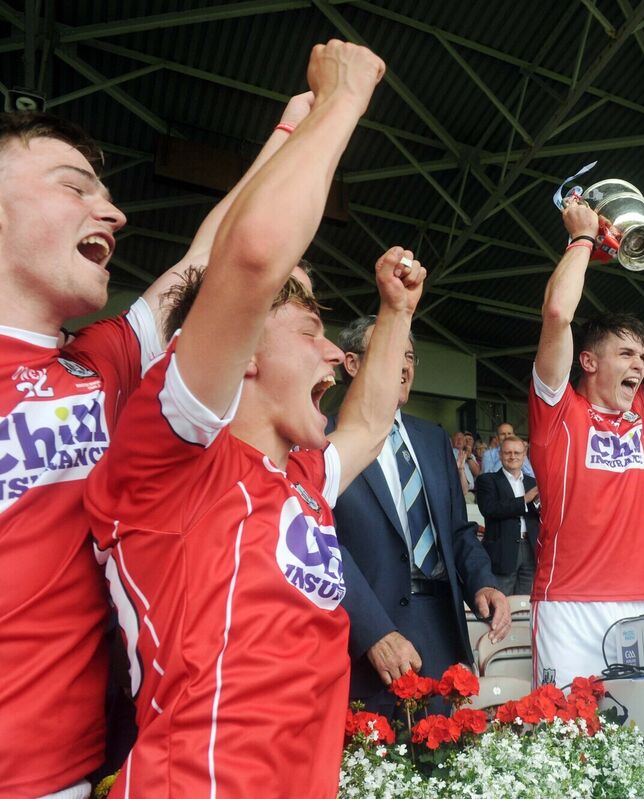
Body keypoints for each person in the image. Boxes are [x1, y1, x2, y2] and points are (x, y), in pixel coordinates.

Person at [84, 41, 406, 797]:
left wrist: (395, 314)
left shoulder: (298, 479)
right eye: (310, 329)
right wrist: (343, 99)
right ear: (246, 352)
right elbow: (253, 257)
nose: (335, 352)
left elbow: (371, 422)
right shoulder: (169, 456)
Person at [0, 92, 320, 798]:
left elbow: (209, 259)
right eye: (75, 186)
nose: (113, 212)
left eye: (109, 193)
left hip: (68, 768)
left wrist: (294, 126)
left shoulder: (100, 361)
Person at [527, 195, 644, 686]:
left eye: (643, 356)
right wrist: (583, 239)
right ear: (588, 362)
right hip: (566, 603)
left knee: (634, 734)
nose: (639, 364)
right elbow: (557, 314)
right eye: (625, 354)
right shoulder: (558, 412)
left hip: (633, 602)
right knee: (562, 736)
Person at [333, 318, 510, 715]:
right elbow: (322, 544)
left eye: (410, 355)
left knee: (446, 758)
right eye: (392, 352)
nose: (405, 365)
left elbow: (457, 531)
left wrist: (483, 583)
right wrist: (372, 631)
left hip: (440, 627)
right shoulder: (322, 440)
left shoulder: (431, 438)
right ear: (351, 363)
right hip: (369, 634)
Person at [475, 436, 539, 595]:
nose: (513, 456)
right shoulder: (487, 480)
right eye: (508, 452)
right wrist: (525, 500)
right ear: (499, 455)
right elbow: (489, 509)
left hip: (531, 549)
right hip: (502, 550)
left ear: (524, 455)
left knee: (526, 604)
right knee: (502, 602)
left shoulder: (533, 483)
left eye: (517, 452)